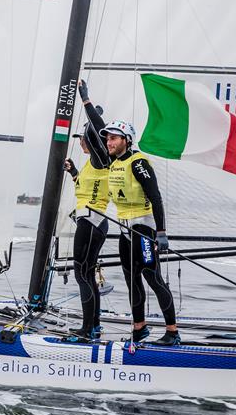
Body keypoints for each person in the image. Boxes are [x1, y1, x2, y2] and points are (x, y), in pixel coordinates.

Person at [101, 120, 180, 345]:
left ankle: (172, 332)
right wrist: (88, 104)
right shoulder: (114, 162)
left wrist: (161, 232)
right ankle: (139, 328)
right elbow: (97, 139)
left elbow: (155, 196)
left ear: (126, 140)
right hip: (124, 228)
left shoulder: (138, 162)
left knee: (153, 279)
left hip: (143, 227)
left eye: (114, 138)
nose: (109, 142)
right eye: (108, 138)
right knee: (131, 280)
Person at [62, 80, 111, 340]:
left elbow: (98, 129)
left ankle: (87, 328)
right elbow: (89, 190)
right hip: (93, 220)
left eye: (82, 138)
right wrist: (73, 173)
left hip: (91, 222)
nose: (80, 141)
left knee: (82, 274)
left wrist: (86, 100)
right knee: (87, 275)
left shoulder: (101, 158)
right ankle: (94, 325)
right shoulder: (91, 166)